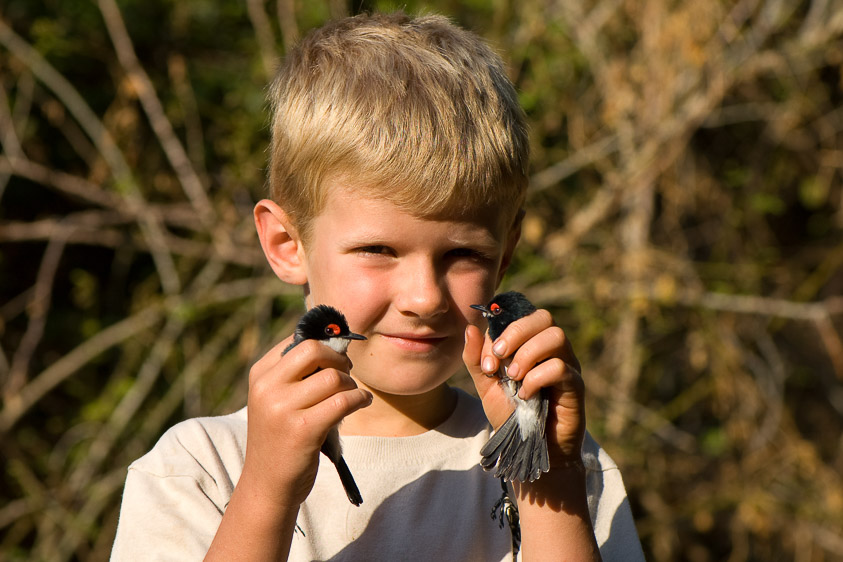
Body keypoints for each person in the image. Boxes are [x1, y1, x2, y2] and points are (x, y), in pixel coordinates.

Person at [111, 11, 644, 561]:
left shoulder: (569, 466)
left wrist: (547, 482)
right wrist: (266, 493)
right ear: (286, 244)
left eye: (463, 254)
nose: (424, 298)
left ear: (504, 256)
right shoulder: (200, 469)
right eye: (378, 251)